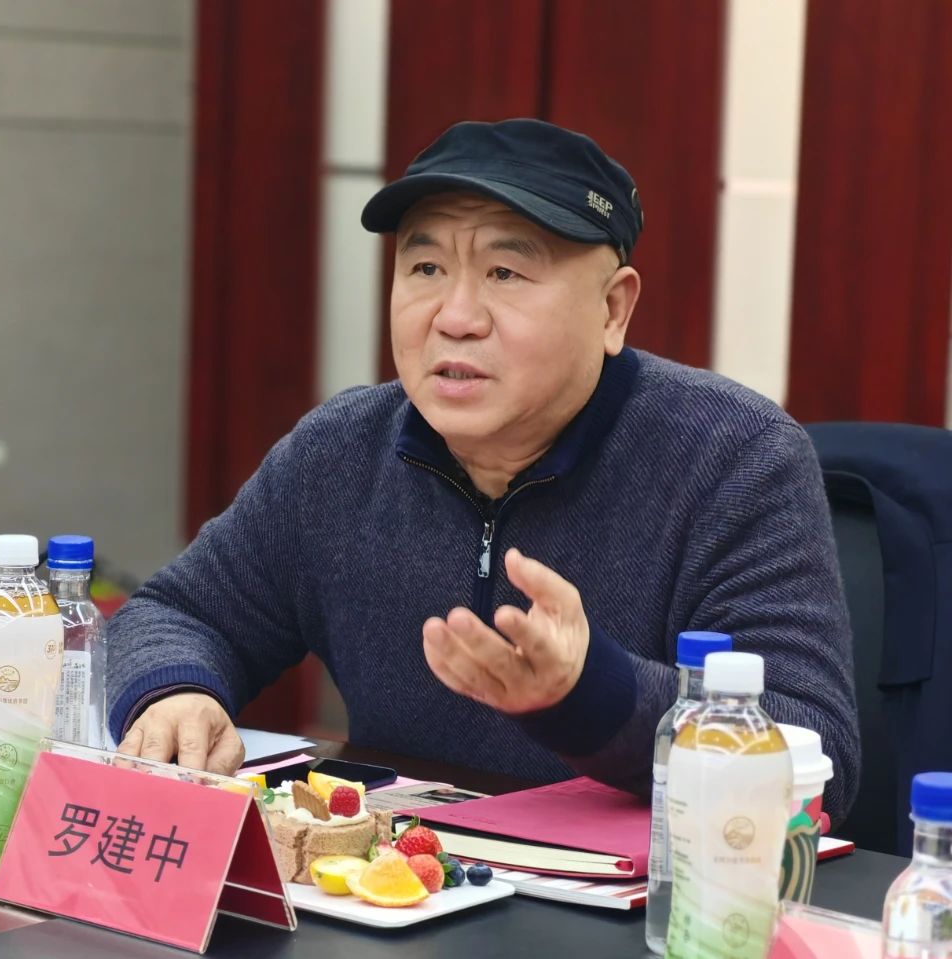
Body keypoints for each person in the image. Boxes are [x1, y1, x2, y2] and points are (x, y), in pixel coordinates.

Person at [106, 118, 860, 821]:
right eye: (426, 266)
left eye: (505, 271)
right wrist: (175, 691)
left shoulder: (734, 458)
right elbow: (181, 612)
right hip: (400, 885)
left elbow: (813, 748)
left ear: (612, 311)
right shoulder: (339, 452)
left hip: (642, 901)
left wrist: (591, 692)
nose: (455, 316)